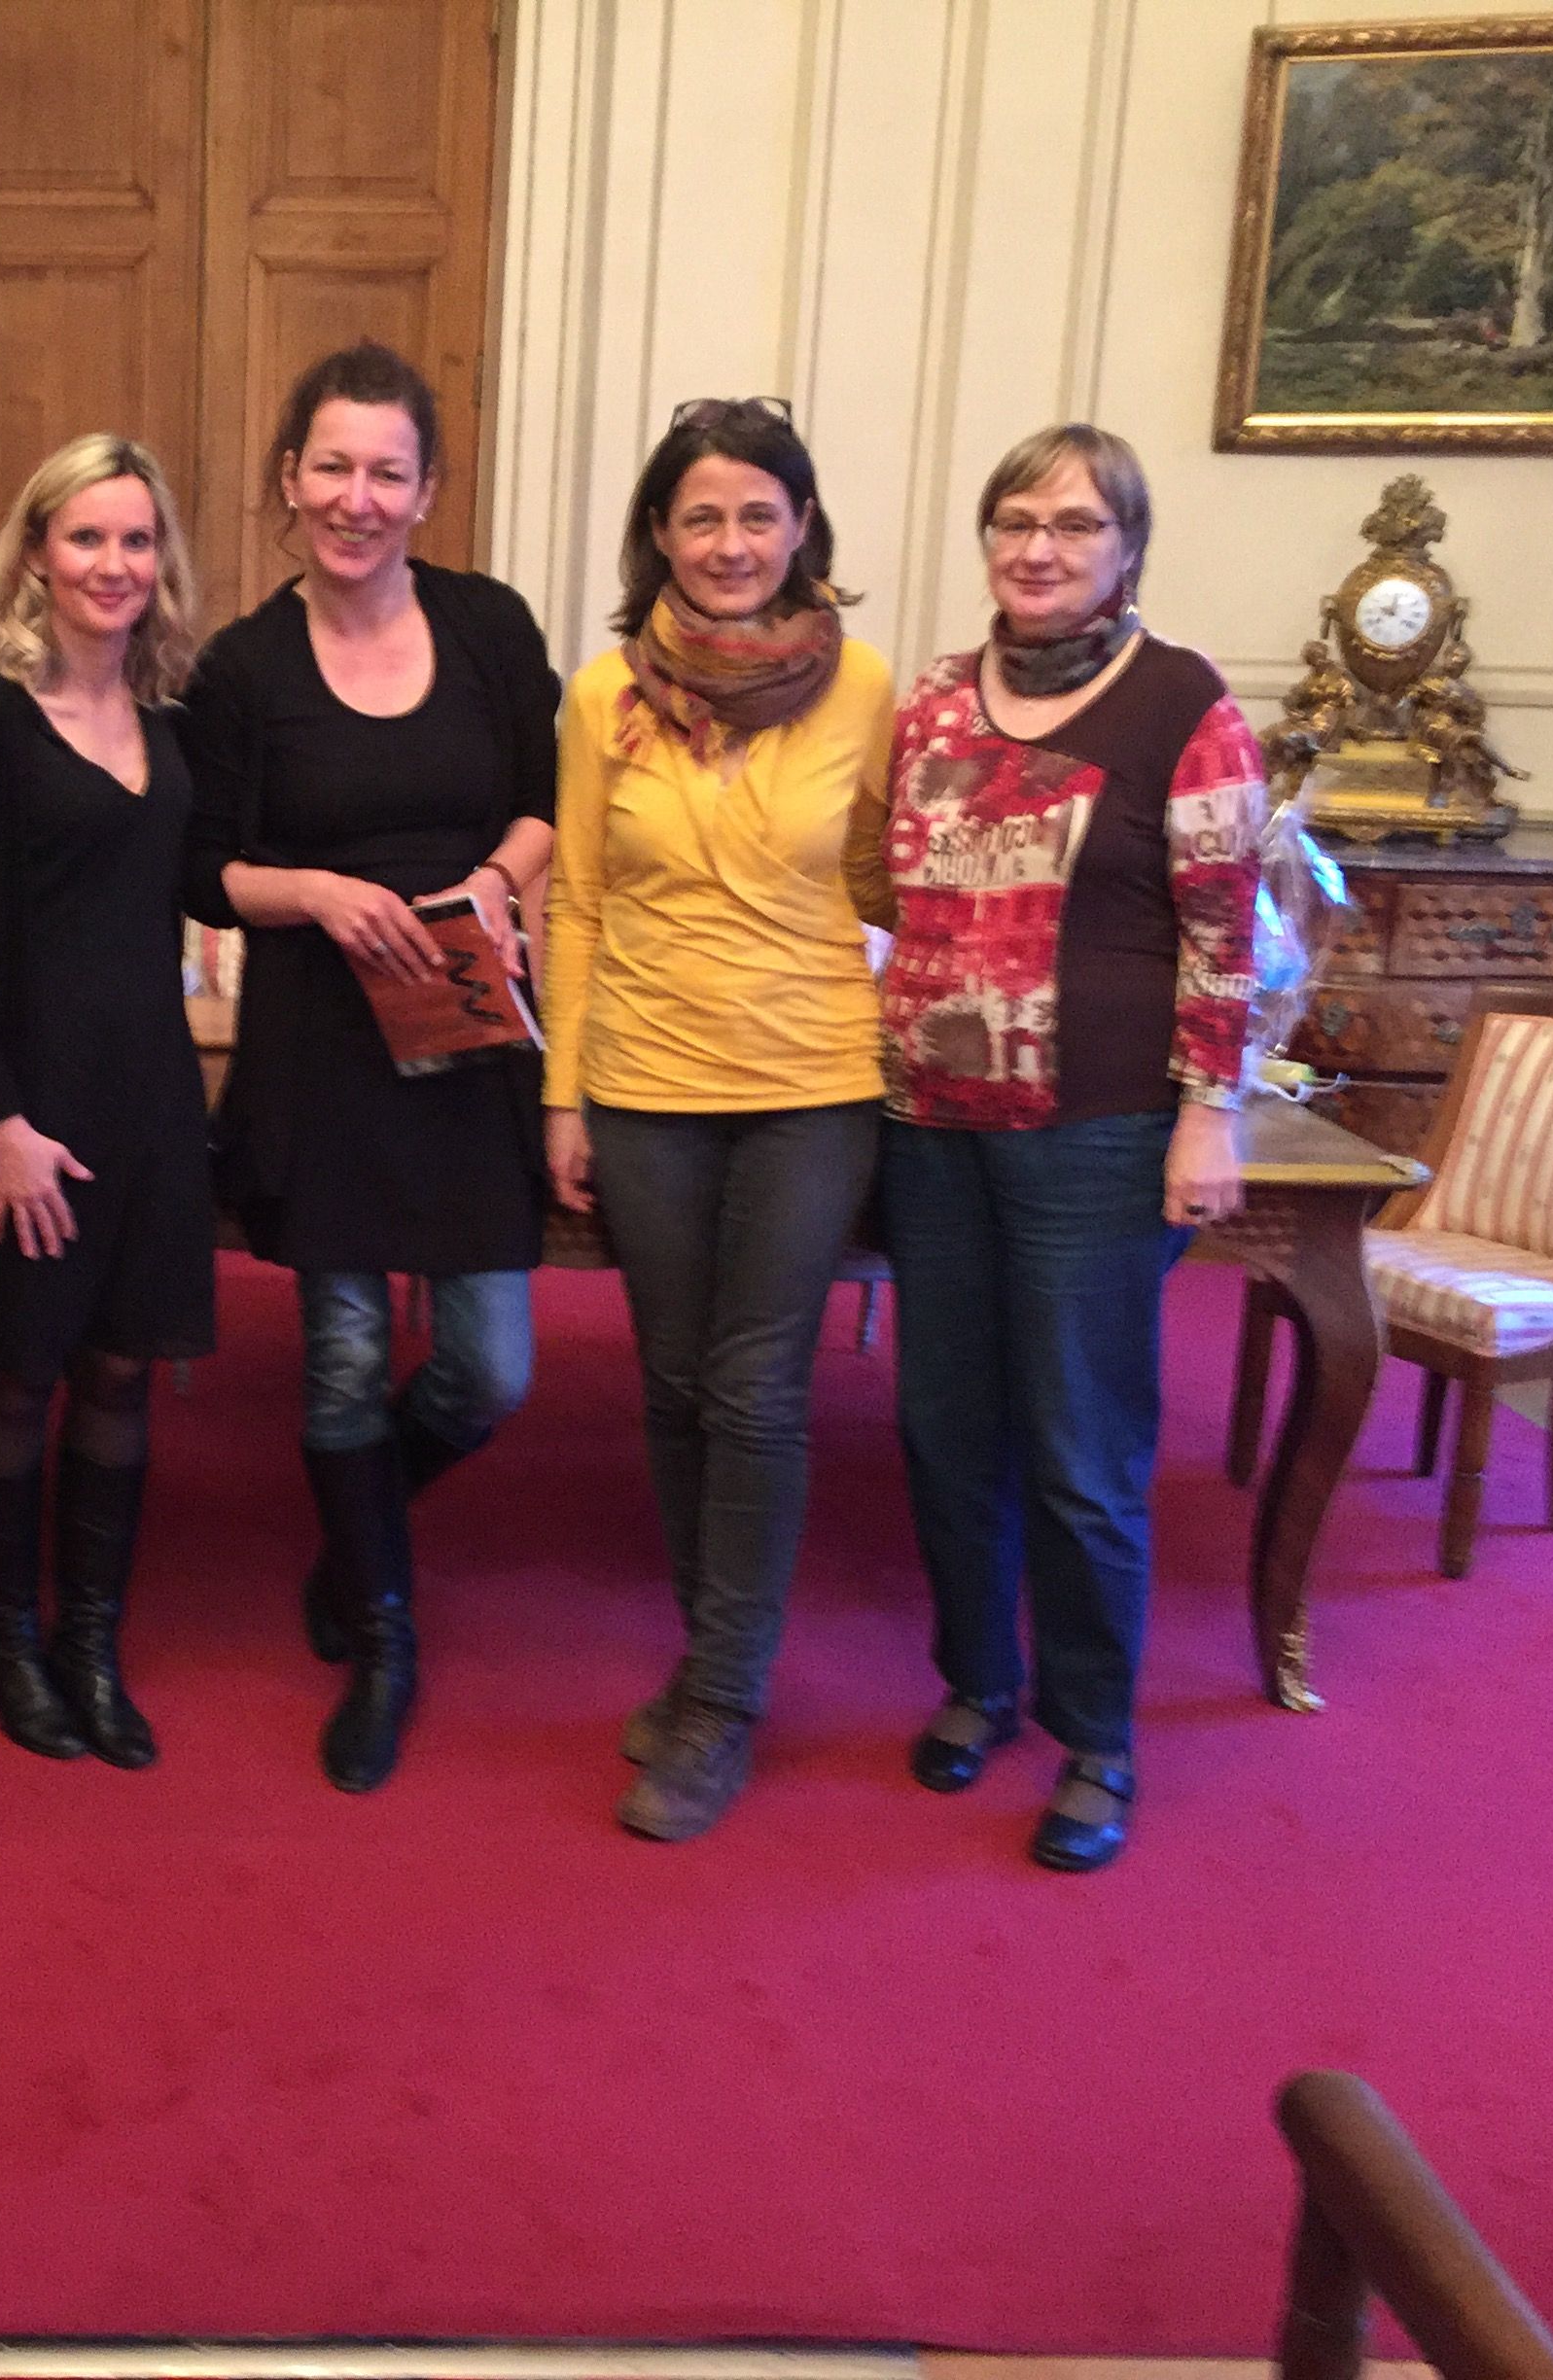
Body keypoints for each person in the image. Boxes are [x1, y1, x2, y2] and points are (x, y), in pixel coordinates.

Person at [874, 422, 1263, 1873]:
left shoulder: (1184, 705)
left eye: (1077, 525)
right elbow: (891, 888)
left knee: (1082, 1452)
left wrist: (1209, 1112)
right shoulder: (928, 706)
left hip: (1095, 1138)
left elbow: (1228, 932)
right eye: (1016, 519)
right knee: (942, 1434)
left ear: (1128, 549)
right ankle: (980, 1684)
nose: (1040, 547)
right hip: (929, 1130)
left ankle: (1096, 1735)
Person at [181, 340, 558, 1794]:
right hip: (320, 1043)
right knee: (341, 1357)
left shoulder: (488, 627)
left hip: (466, 1032)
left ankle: (360, 1528)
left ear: (428, 488)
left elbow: (543, 802)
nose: (357, 497)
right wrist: (323, 895)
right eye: (330, 466)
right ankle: (384, 1633)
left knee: (489, 1369)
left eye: (387, 471)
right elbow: (209, 872)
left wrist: (490, 882)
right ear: (289, 478)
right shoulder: (245, 665)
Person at [540, 399, 895, 1844]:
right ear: (661, 537)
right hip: (645, 1084)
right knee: (675, 1387)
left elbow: (896, 877)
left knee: (753, 1389)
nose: (731, 542)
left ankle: (724, 1698)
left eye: (758, 513)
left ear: (802, 525)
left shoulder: (870, 686)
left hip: (814, 1078)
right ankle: (711, 1666)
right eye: (702, 516)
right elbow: (578, 898)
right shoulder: (601, 695)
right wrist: (562, 1091)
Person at [0, 435, 215, 1767]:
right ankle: (7, 1641)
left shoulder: (172, 723)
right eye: (86, 538)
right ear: (37, 551)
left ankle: (90, 1636)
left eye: (136, 541)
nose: (113, 565)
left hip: (150, 1099)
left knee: (121, 1368)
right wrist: (1, 1128)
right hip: (25, 1113)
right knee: (22, 1377)